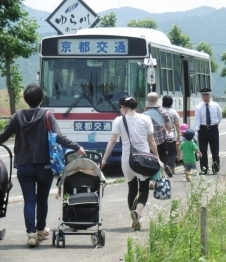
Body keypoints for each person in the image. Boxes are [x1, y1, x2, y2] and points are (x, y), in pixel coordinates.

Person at [0, 83, 86, 247]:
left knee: (29, 200)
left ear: (26, 99)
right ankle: (40, 230)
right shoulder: (47, 115)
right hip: (45, 165)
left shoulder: (17, 116)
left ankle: (31, 234)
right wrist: (77, 147)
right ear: (41, 98)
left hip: (24, 166)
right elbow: (59, 137)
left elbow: (3, 136)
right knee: (42, 199)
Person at [101, 96, 162, 231]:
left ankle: (134, 216)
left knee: (132, 190)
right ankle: (138, 213)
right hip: (143, 160)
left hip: (127, 161)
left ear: (123, 107)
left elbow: (112, 141)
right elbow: (151, 141)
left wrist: (104, 158)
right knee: (144, 190)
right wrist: (157, 157)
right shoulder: (146, 119)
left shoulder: (119, 120)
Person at [143, 92, 172, 181]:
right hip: (162, 140)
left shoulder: (144, 114)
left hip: (149, 142)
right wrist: (165, 128)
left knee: (151, 160)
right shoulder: (164, 112)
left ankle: (151, 179)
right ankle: (160, 178)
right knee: (161, 159)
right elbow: (169, 128)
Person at [194, 88, 222, 175]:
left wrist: (215, 125)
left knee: (215, 150)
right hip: (203, 129)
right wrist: (197, 129)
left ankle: (215, 169)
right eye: (204, 96)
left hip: (213, 129)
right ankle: (204, 169)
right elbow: (197, 119)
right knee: (202, 150)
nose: (206, 98)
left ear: (210, 96)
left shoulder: (216, 105)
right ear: (202, 97)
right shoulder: (198, 107)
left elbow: (219, 117)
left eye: (207, 96)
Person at [162, 95, 181, 175]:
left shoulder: (160, 111)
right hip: (171, 136)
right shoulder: (173, 112)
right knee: (172, 152)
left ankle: (163, 168)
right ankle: (169, 166)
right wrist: (178, 136)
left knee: (162, 152)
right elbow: (177, 124)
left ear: (162, 102)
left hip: (161, 136)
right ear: (171, 103)